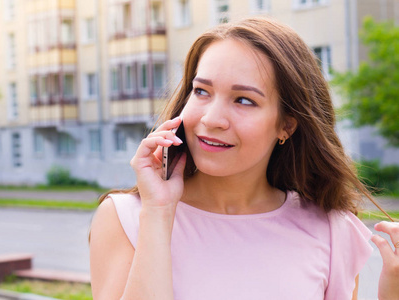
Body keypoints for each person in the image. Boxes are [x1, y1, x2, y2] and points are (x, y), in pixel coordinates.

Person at [89, 17, 399, 300]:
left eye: (243, 100)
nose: (212, 119)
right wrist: (158, 212)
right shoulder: (125, 218)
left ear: (286, 125)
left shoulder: (331, 229)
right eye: (201, 91)